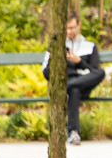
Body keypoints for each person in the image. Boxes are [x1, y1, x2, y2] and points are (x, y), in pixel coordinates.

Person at [40, 13, 104, 145]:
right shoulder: (56, 46)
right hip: (66, 83)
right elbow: (45, 71)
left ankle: (70, 86)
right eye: (67, 28)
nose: (69, 31)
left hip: (83, 82)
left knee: (101, 72)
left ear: (79, 25)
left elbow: (94, 71)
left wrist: (79, 61)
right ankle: (73, 133)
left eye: (72, 28)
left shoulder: (90, 46)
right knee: (74, 91)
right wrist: (60, 63)